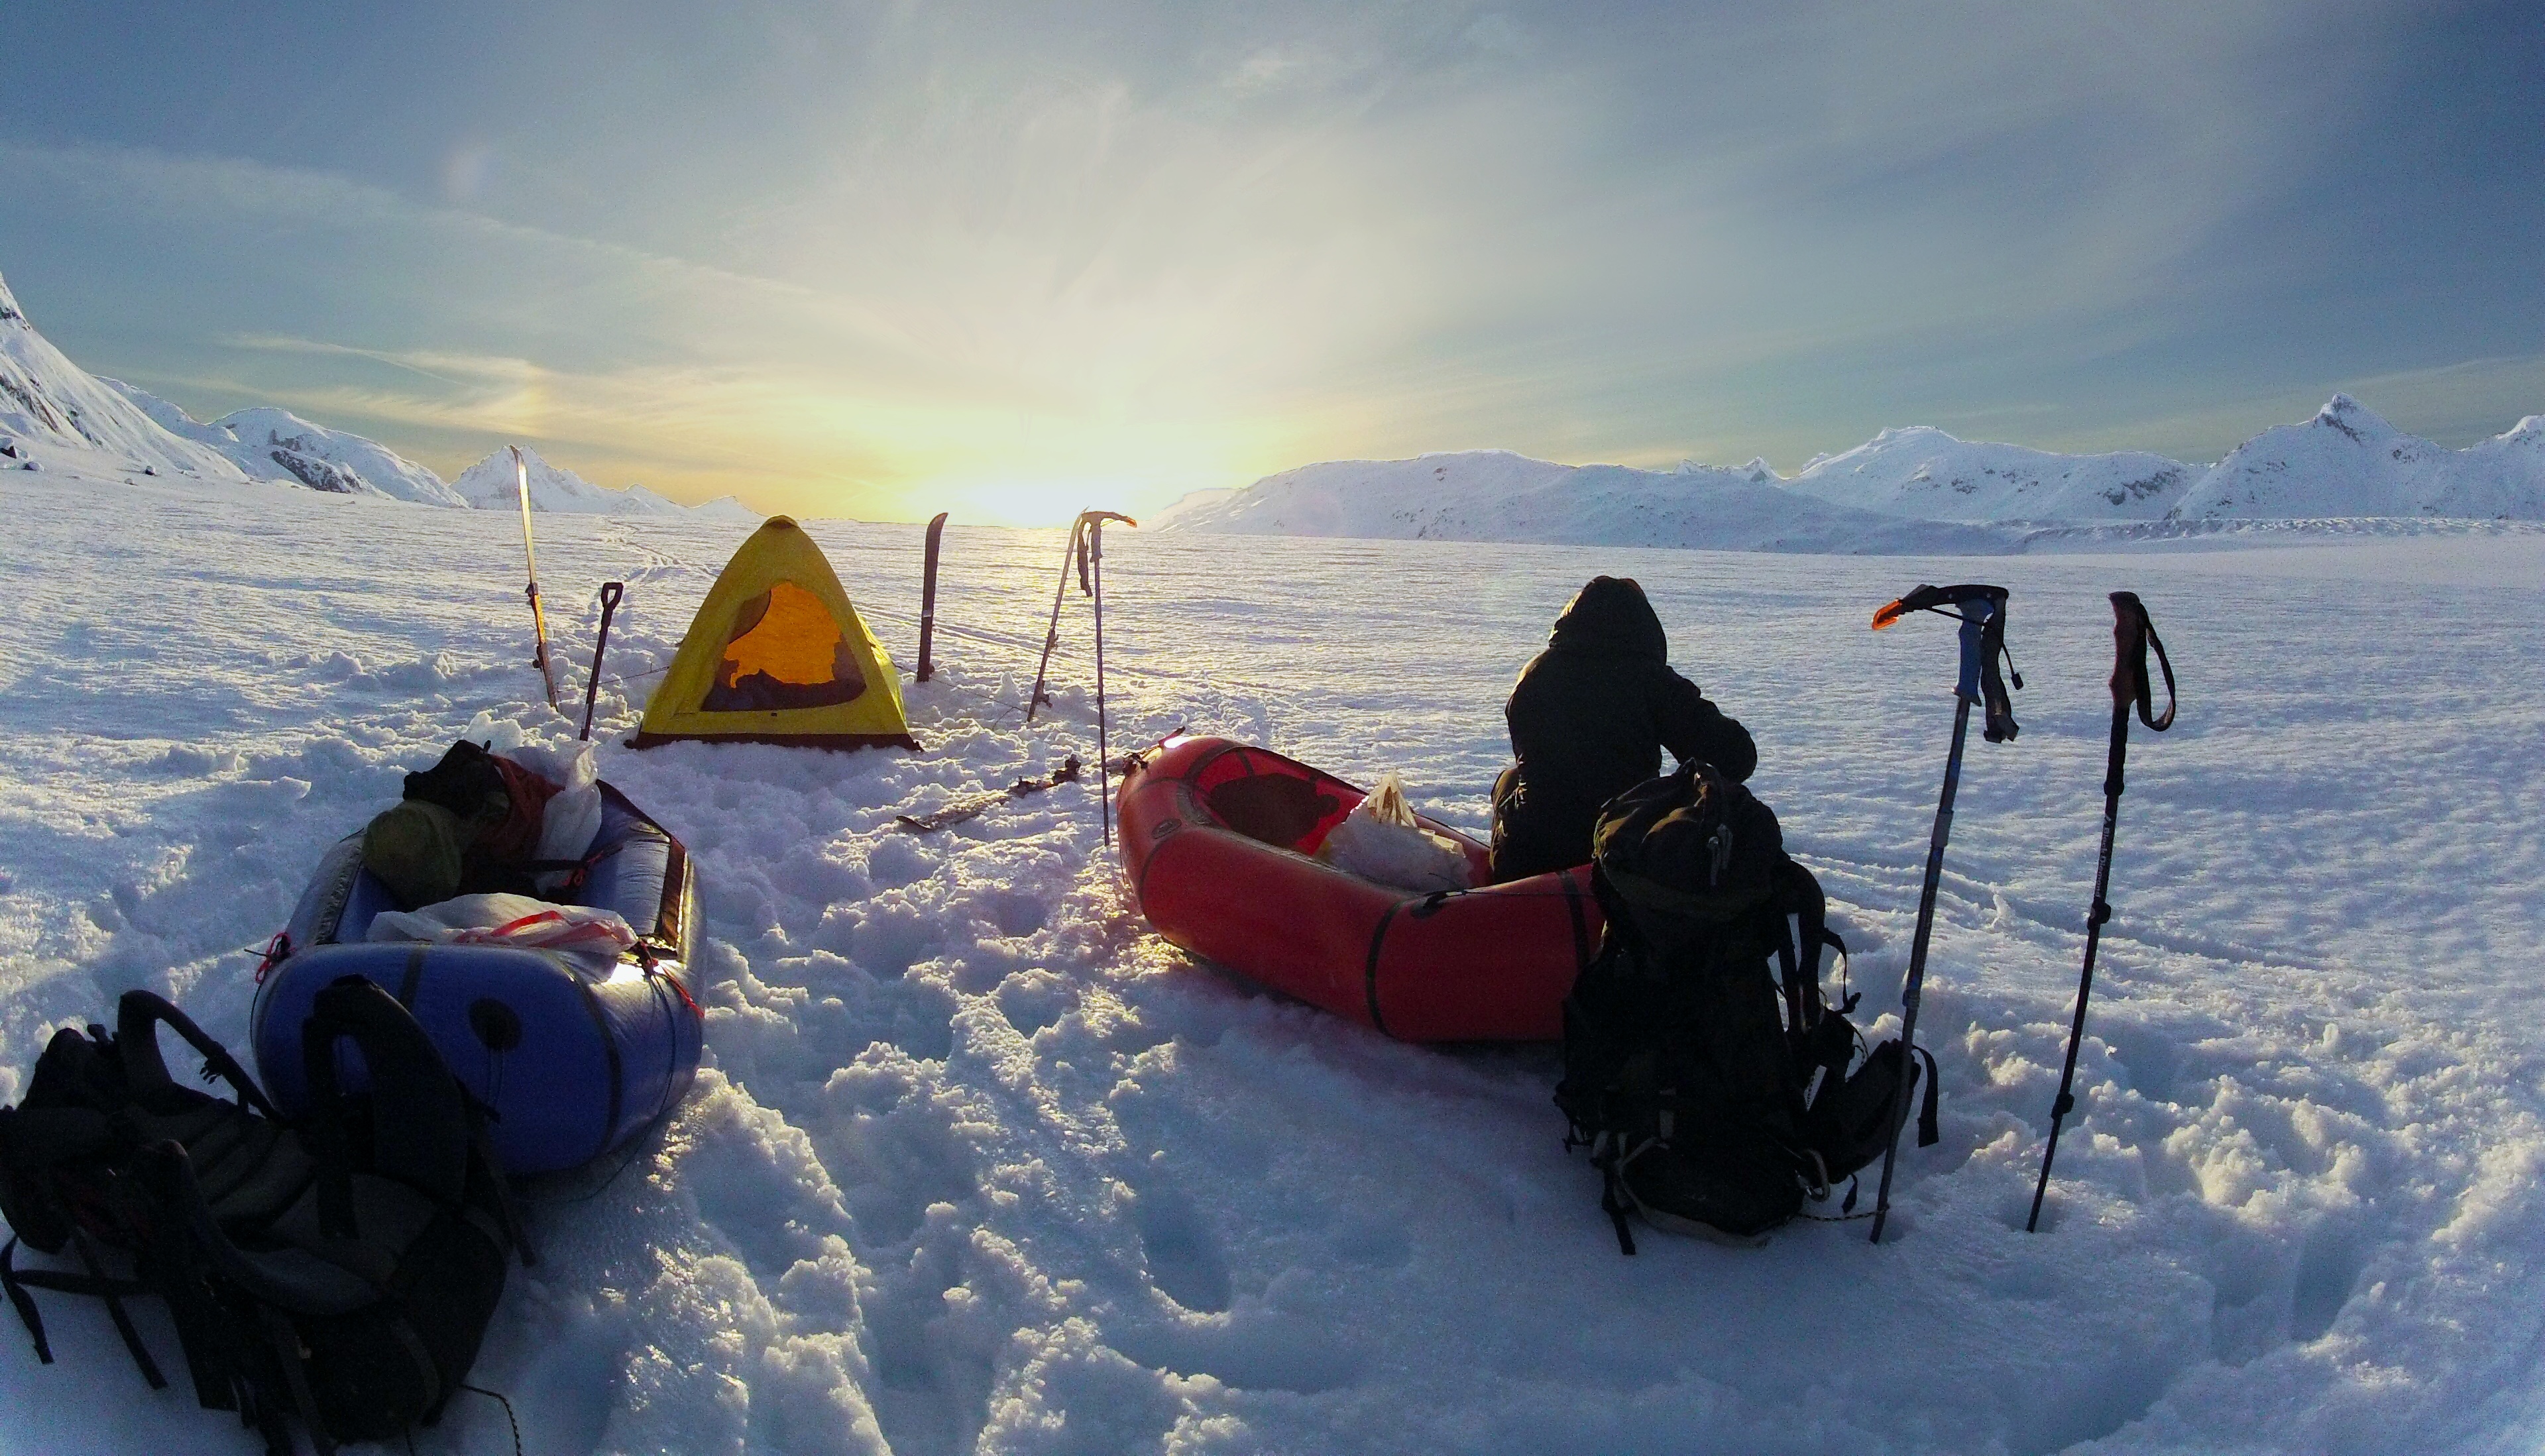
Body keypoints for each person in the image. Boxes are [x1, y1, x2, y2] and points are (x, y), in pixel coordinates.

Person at [1489, 576, 1756, 883]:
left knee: (1511, 780)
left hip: (1528, 855)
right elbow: (1737, 757)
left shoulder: (1534, 674)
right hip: (1621, 853)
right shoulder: (1650, 679)